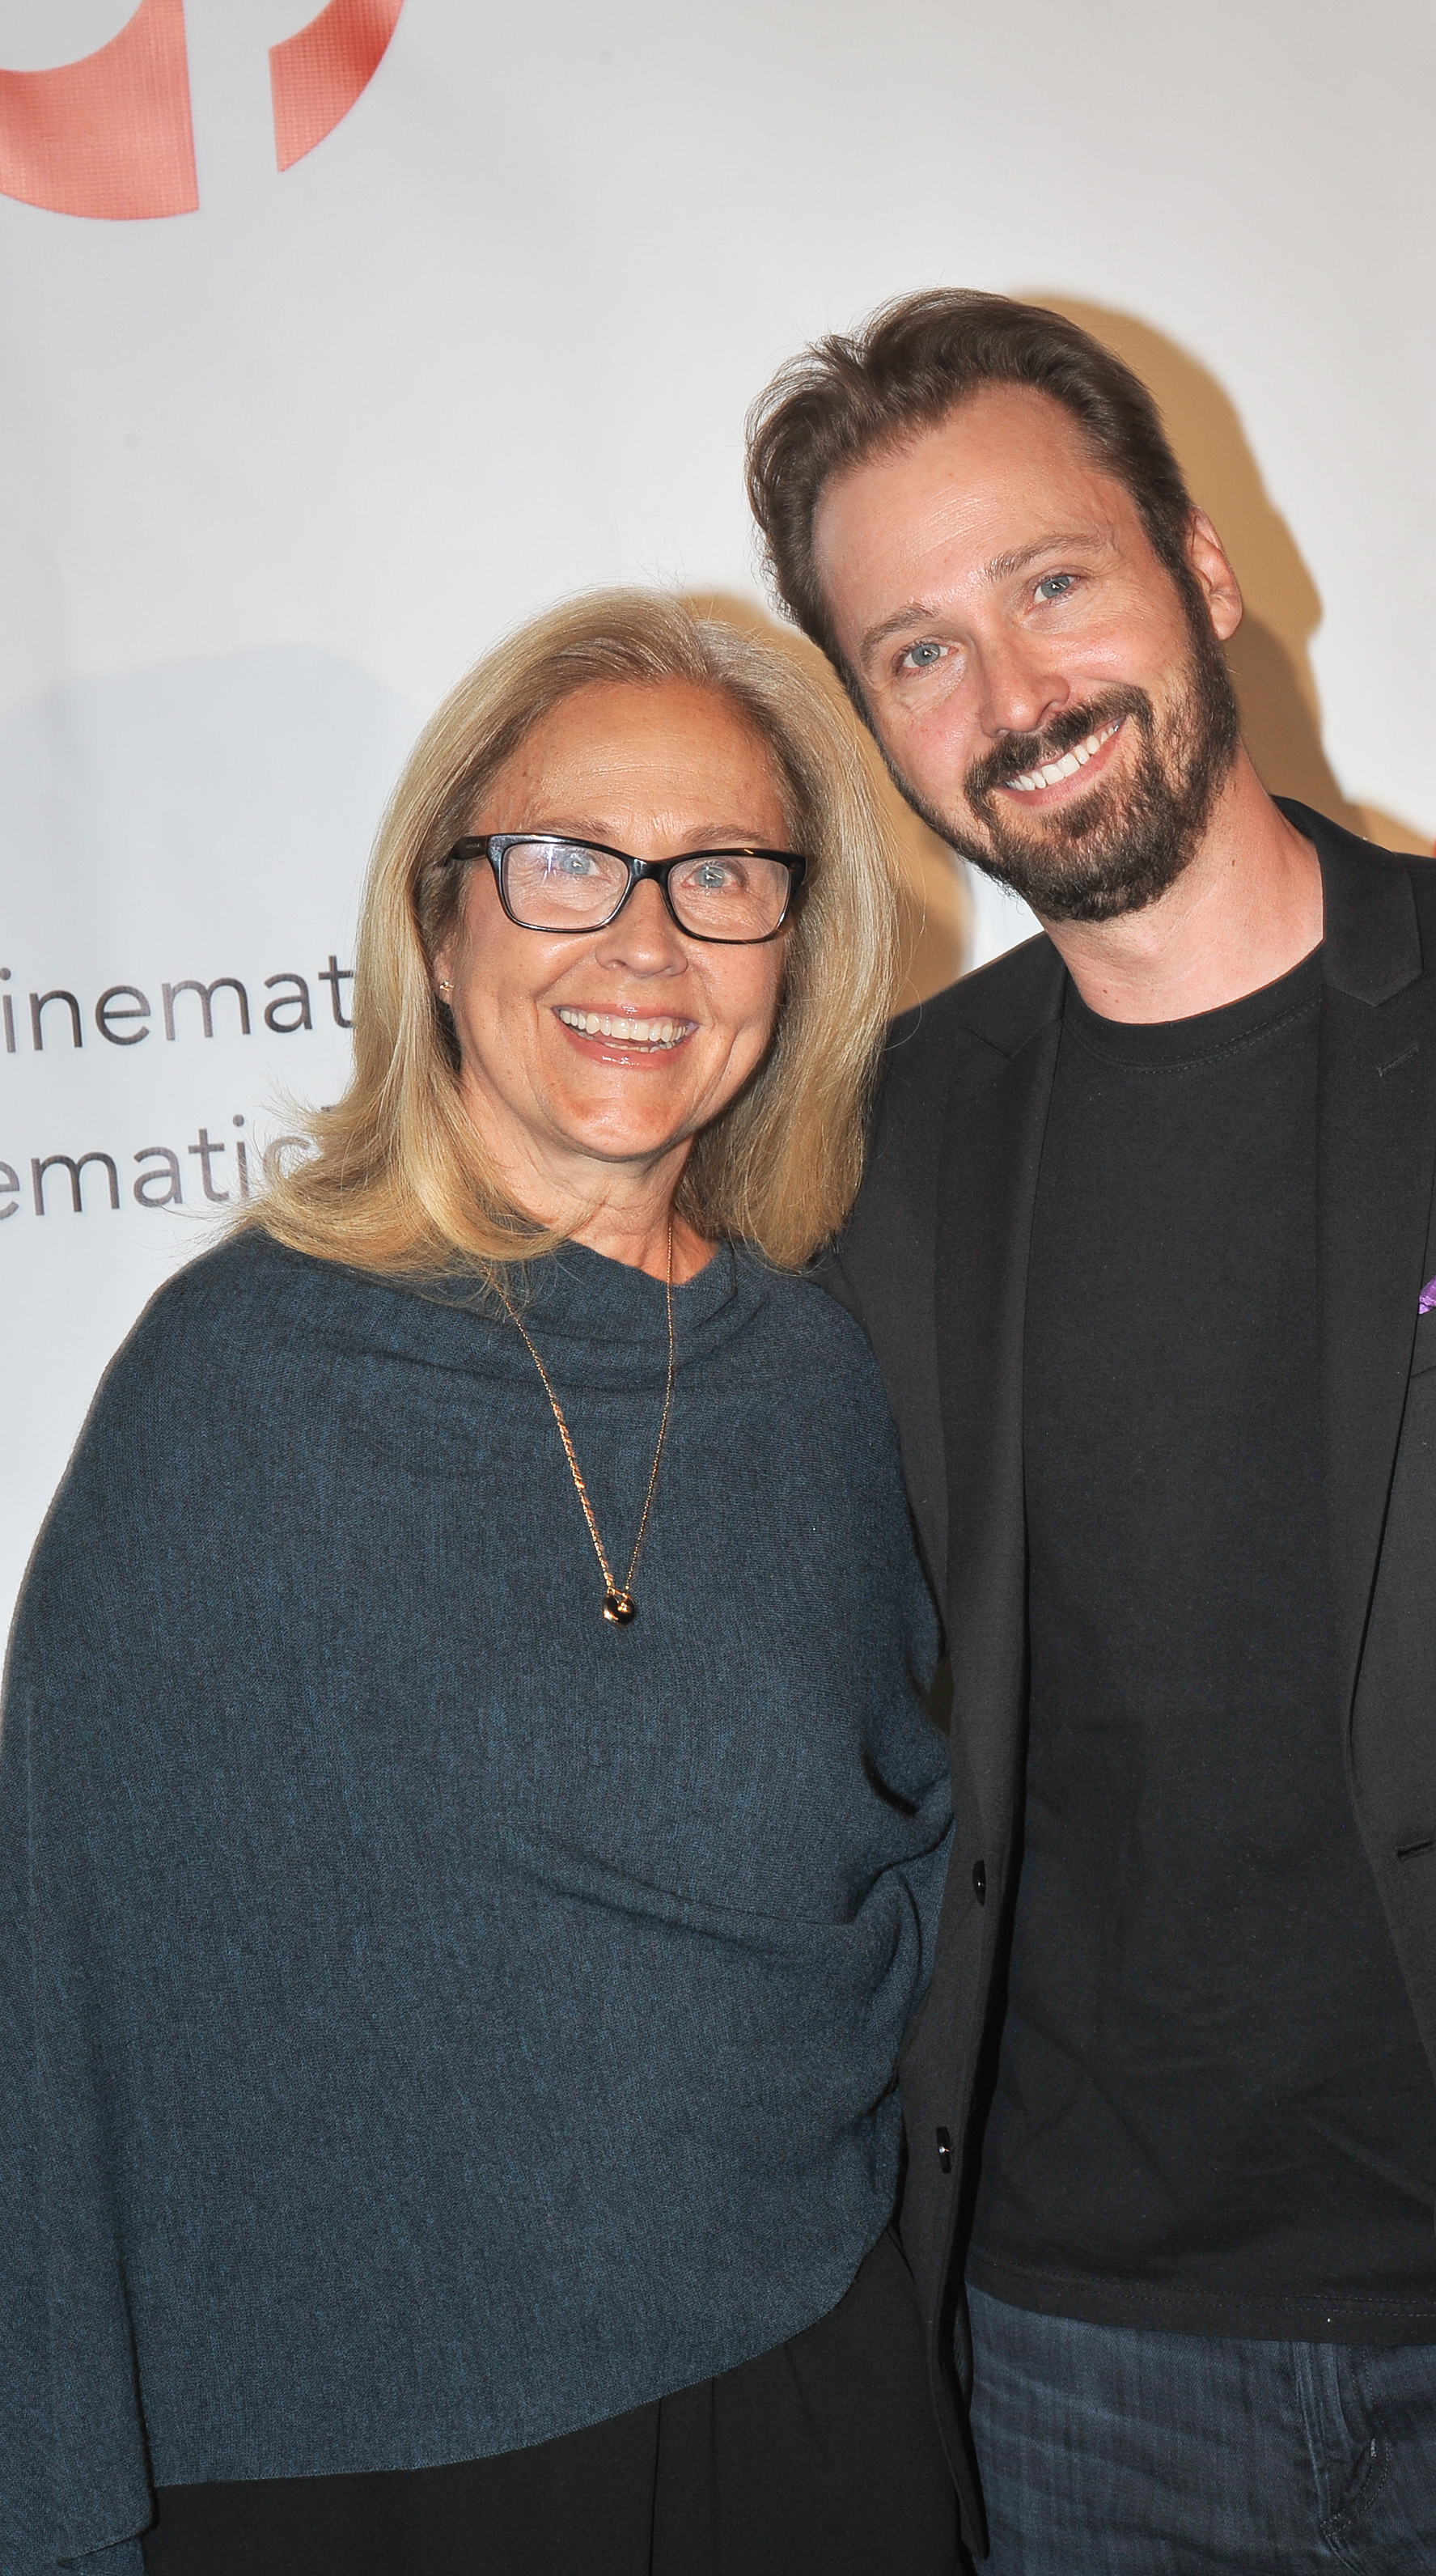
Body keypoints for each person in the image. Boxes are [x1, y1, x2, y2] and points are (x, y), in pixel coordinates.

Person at [742, 289, 1436, 2576]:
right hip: (1080, 2376)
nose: (1013, 698)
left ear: (1205, 565)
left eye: (1052, 583)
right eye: (916, 651)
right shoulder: (864, 1158)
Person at [0, 591, 964, 2576]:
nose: (642, 939)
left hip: (805, 2388)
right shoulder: (241, 1377)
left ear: (798, 942)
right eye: (562, 861)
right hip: (363, 2460)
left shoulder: (822, 1379)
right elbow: (63, 1988)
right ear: (438, 923)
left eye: (720, 873)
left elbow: (918, 1867)